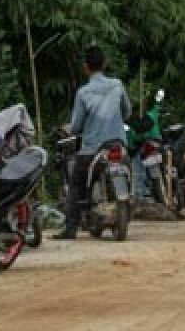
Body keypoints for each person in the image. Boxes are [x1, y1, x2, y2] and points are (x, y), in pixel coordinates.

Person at [54, 46, 132, 240]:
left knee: (76, 184)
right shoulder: (117, 85)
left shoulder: (83, 93)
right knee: (129, 170)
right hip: (117, 143)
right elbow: (127, 112)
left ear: (86, 68)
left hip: (92, 148)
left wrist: (68, 129)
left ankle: (70, 229)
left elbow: (77, 125)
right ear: (104, 64)